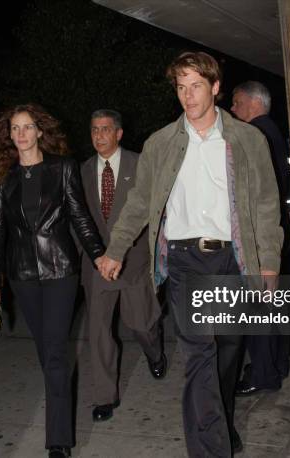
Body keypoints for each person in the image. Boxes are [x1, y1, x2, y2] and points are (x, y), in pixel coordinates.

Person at [98, 52, 282, 457]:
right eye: (181, 88)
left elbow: (267, 205)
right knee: (200, 355)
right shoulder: (160, 143)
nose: (188, 96)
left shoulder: (248, 141)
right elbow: (139, 202)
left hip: (231, 259)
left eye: (196, 85)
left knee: (228, 351)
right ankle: (212, 449)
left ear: (215, 87)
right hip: (183, 260)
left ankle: (221, 423)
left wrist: (268, 261)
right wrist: (116, 248)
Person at [0, 103, 104, 458]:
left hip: (60, 272)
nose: (20, 134)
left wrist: (98, 255)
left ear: (39, 131)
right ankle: (59, 420)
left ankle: (58, 441)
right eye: (14, 128)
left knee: (53, 354)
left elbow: (80, 216)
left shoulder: (62, 168)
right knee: (46, 353)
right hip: (23, 276)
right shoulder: (4, 178)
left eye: (26, 127)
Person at [80, 109, 165, 423]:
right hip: (98, 264)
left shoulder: (140, 164)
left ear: (118, 134)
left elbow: (156, 211)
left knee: (141, 323)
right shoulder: (83, 171)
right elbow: (81, 220)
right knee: (99, 331)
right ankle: (105, 397)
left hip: (133, 262)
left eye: (105, 129)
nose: (99, 135)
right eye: (94, 129)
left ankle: (155, 353)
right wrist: (90, 258)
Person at [231, 81, 290, 395]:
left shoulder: (255, 136)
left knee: (258, 310)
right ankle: (276, 366)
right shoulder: (274, 133)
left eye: (236, 102)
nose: (232, 109)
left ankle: (263, 374)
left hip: (259, 238)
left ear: (254, 103)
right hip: (277, 233)